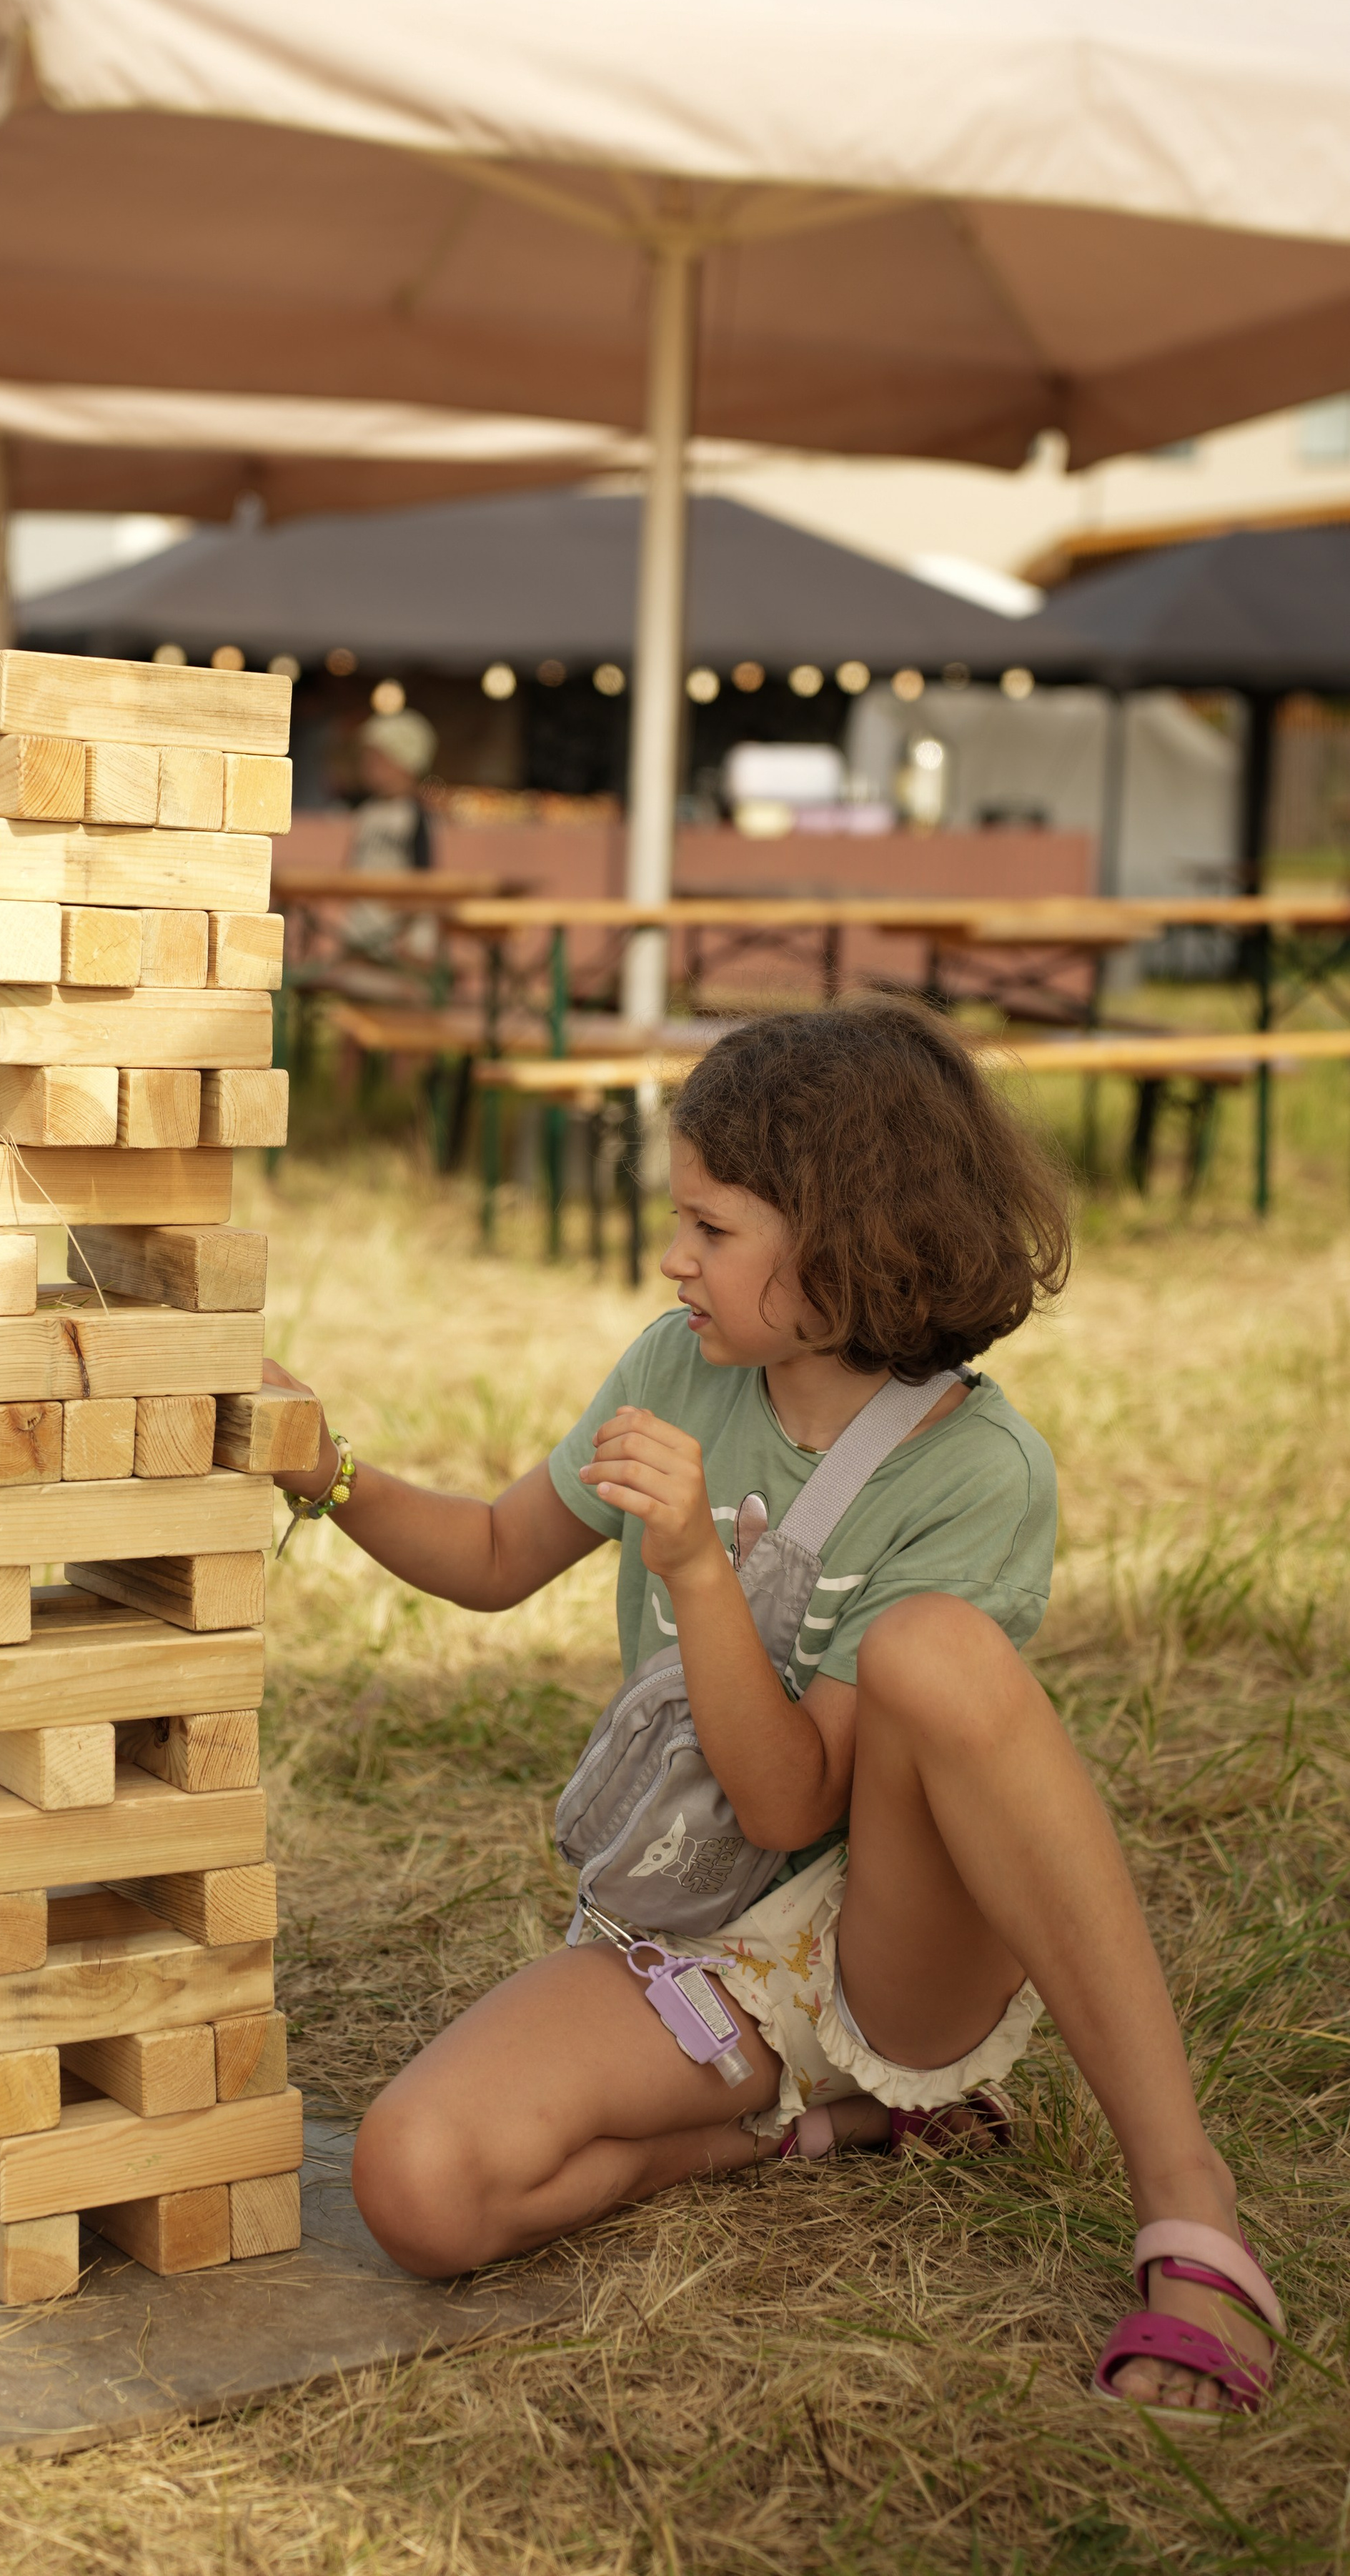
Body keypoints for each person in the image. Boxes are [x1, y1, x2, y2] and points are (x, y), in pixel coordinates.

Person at [269, 1001, 1283, 2424]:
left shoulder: (976, 1472)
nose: (670, 1257)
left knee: (936, 1652)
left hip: (890, 1947)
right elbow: (498, 1558)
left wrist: (695, 1566)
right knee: (418, 2187)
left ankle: (1188, 2205)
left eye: (710, 1227)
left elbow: (792, 1805)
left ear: (844, 1239)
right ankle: (813, 2128)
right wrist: (321, 1470)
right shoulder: (676, 1364)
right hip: (695, 1944)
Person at [342, 707, 437, 970]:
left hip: (400, 930)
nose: (369, 769)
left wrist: (413, 929)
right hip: (363, 925)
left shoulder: (414, 815)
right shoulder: (366, 813)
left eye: (378, 760)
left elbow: (424, 875)